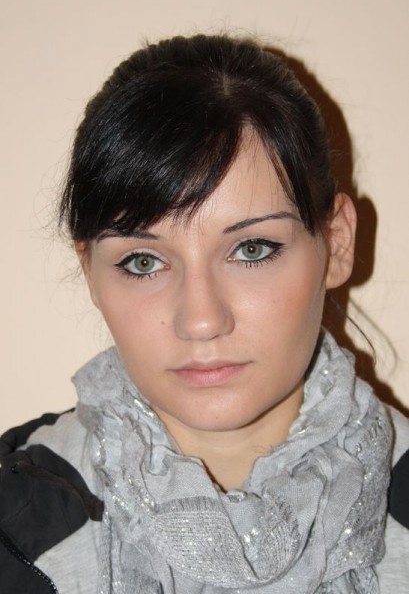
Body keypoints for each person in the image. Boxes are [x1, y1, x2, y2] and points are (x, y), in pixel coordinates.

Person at [0, 33, 408, 594]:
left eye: (252, 249)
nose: (201, 320)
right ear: (90, 270)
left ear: (336, 243)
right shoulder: (13, 527)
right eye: (144, 261)